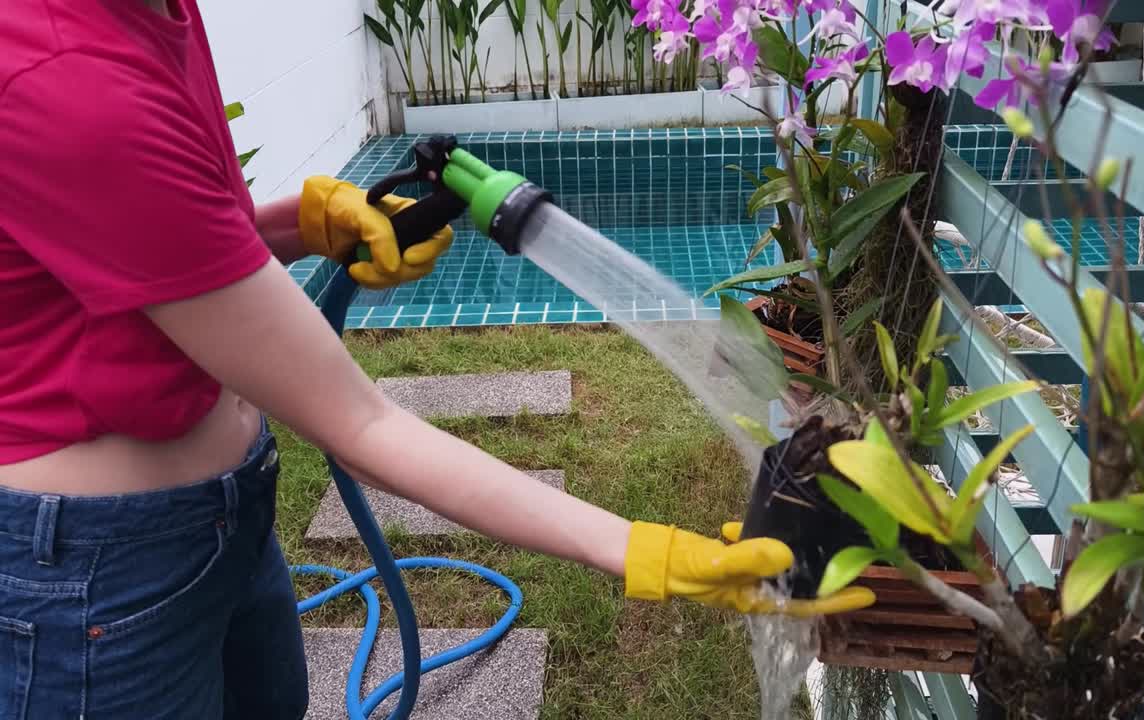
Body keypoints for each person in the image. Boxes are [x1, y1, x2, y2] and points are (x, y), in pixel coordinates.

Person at [0, 1, 874, 718]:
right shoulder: (66, 79)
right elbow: (363, 422)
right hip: (96, 586)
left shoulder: (156, 14)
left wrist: (298, 222)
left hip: (226, 519)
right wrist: (644, 550)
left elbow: (144, 255)